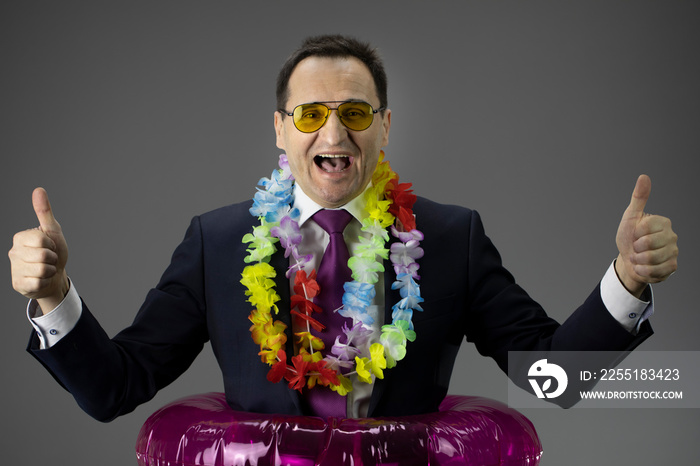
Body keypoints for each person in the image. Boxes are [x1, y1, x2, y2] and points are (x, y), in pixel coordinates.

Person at [9, 35, 678, 421]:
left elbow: (551, 379)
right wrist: (54, 293)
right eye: (309, 115)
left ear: (385, 127)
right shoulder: (216, 242)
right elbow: (112, 389)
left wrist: (625, 280)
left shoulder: (451, 239)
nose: (333, 133)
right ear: (279, 127)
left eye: (356, 112)